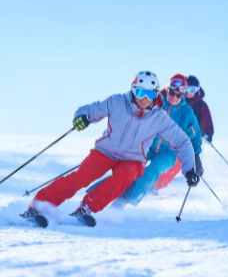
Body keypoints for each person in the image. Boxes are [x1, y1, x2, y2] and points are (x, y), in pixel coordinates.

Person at [21, 71, 200, 226]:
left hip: (133, 158)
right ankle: (38, 206)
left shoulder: (158, 117)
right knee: (81, 178)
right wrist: (82, 117)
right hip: (106, 152)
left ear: (155, 95)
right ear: (133, 89)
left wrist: (190, 168)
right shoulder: (117, 102)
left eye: (149, 95)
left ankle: (88, 207)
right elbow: (91, 110)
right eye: (140, 92)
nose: (144, 99)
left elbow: (183, 141)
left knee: (128, 175)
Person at [117, 74, 204, 206]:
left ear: (183, 95)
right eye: (172, 93)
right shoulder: (157, 103)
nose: (174, 98)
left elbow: (195, 137)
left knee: (152, 171)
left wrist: (196, 159)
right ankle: (92, 199)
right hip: (148, 145)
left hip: (168, 153)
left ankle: (123, 203)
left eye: (178, 95)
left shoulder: (187, 113)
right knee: (126, 168)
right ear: (167, 89)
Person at [185, 75, 214, 143]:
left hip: (192, 140)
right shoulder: (176, 99)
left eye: (193, 90)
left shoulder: (201, 106)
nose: (190, 92)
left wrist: (207, 134)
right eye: (188, 89)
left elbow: (207, 121)